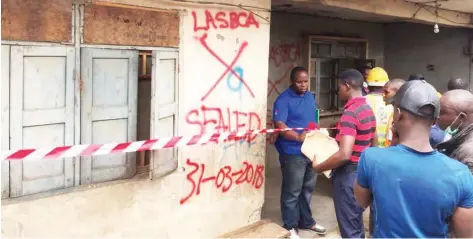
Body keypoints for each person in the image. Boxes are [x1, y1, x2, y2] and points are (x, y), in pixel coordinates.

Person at [354, 80, 473, 238]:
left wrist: (394, 145)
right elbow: (465, 234)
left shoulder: (372, 158)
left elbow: (362, 202)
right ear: (435, 120)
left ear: (398, 114)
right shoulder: (461, 174)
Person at [312, 69, 377, 238]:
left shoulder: (350, 113)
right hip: (364, 171)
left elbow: (344, 154)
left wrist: (319, 167)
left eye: (339, 87)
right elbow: (374, 143)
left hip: (348, 174)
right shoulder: (367, 109)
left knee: (349, 228)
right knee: (356, 222)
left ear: (347, 86)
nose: (338, 90)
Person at [272, 66, 326, 235]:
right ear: (291, 82)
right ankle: (290, 226)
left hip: (310, 150)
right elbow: (280, 126)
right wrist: (298, 137)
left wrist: (317, 130)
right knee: (292, 191)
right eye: (299, 82)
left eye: (305, 81)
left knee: (307, 189)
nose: (303, 85)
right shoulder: (283, 100)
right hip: (292, 152)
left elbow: (312, 119)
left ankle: (306, 221)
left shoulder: (310, 96)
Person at [437, 89, 473, 173]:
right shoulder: (460, 140)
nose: (437, 116)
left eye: (441, 112)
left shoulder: (469, 152)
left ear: (461, 118)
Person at [365, 67, 392, 148]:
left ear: (367, 85)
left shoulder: (362, 102)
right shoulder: (390, 105)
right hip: (387, 149)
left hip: (368, 149)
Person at [383, 78, 405, 146]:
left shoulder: (404, 114)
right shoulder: (391, 109)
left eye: (386, 92)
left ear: (398, 93)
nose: (383, 95)